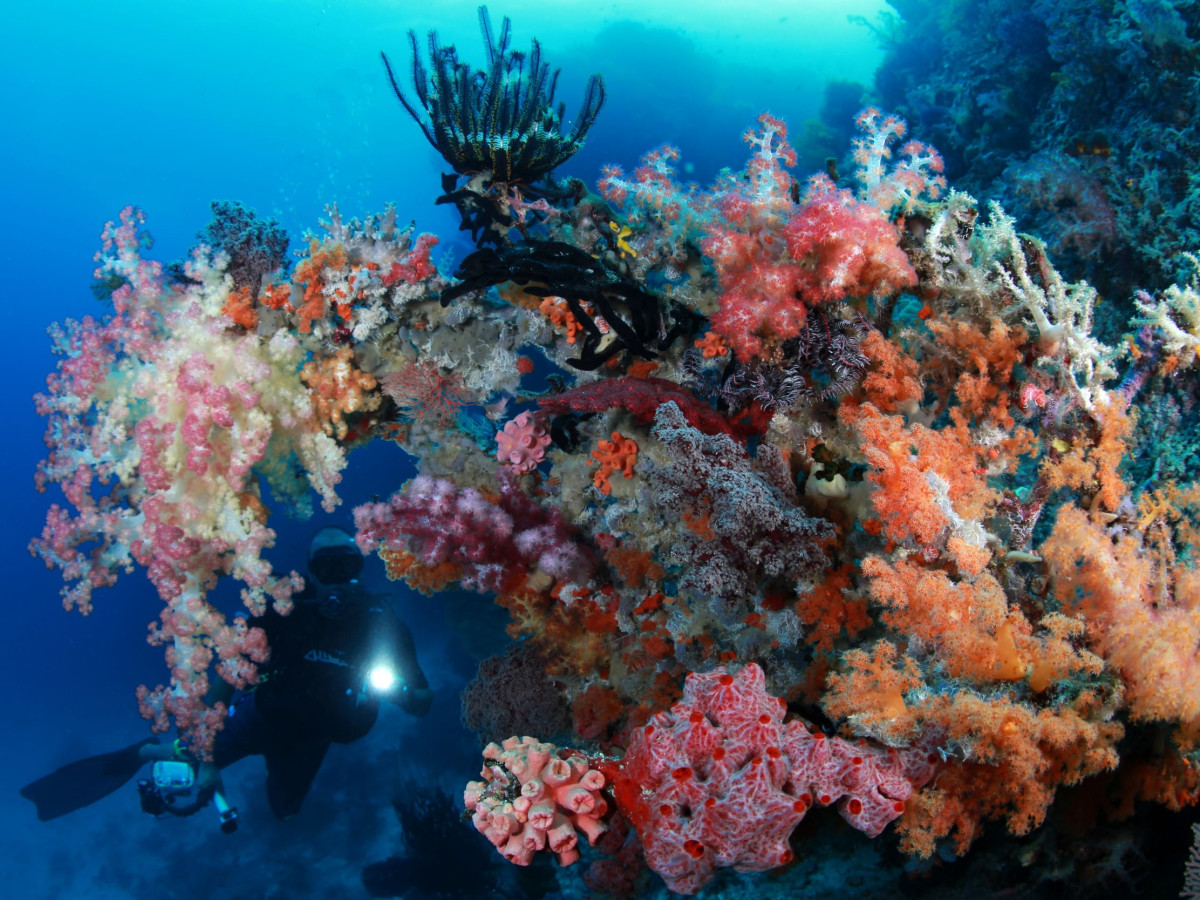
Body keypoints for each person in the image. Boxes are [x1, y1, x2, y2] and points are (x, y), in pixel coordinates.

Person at [21, 527, 432, 825]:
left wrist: (397, 691)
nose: (338, 579)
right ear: (311, 571)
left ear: (359, 569)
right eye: (328, 567)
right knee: (192, 764)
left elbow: (422, 700)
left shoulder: (383, 626)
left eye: (348, 565)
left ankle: (274, 791)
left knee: (286, 811)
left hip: (315, 737)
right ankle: (141, 753)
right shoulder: (279, 612)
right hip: (261, 718)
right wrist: (205, 747)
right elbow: (229, 673)